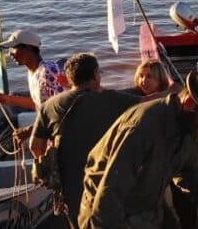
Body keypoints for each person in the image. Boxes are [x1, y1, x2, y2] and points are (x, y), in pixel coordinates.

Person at [78, 66, 198, 229]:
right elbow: (108, 197)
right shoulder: (142, 126)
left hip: (147, 203)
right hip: (108, 212)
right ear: (189, 103)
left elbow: (188, 169)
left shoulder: (187, 123)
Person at [30, 52, 138, 229]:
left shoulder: (50, 106)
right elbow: (149, 103)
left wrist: (52, 165)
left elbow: (35, 146)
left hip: (69, 189)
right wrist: (172, 92)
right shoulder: (112, 100)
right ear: (95, 74)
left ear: (69, 78)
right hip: (106, 184)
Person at [0, 28, 67, 144]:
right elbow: (40, 104)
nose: (9, 53)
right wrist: (8, 99)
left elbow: (62, 111)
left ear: (28, 49)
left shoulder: (47, 71)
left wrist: (29, 130)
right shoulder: (32, 72)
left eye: (13, 48)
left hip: (64, 137)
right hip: (51, 134)